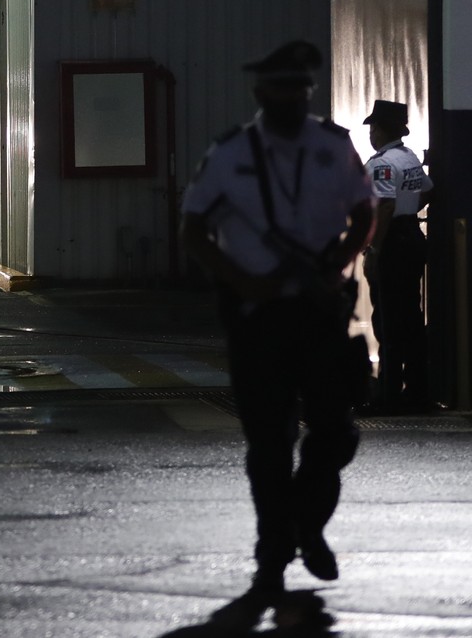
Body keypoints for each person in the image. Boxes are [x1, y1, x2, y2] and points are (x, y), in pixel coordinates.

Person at [180, 40, 375, 599]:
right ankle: (273, 550)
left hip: (319, 309)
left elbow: (364, 212)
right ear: (260, 92)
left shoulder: (333, 147)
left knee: (335, 433)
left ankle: (305, 526)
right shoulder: (230, 155)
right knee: (269, 441)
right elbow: (193, 231)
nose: (292, 96)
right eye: (281, 87)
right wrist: (242, 281)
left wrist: (337, 265)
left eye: (301, 88)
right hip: (257, 314)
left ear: (309, 92)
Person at [361, 98, 433, 412]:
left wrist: (374, 249)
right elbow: (428, 190)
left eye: (373, 127)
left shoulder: (382, 163)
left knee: (388, 321)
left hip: (391, 244)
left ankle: (388, 397)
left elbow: (385, 205)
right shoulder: (409, 158)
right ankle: (417, 392)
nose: (370, 133)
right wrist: (409, 213)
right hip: (412, 238)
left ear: (380, 129)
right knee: (411, 320)